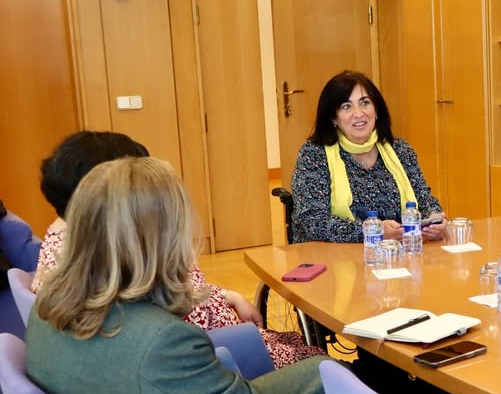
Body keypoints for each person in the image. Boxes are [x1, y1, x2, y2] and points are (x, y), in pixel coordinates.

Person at [25, 157, 335, 394]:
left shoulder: (48, 308)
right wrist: (318, 375)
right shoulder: (161, 341)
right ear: (161, 238)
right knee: (323, 374)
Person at [32, 131, 321, 369]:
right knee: (325, 366)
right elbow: (177, 331)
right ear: (102, 194)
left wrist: (226, 295)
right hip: (229, 354)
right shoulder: (107, 261)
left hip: (231, 340)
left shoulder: (83, 242)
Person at [292, 71, 446, 243]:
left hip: (397, 254)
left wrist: (435, 219)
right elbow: (312, 221)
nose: (358, 114)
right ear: (333, 118)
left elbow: (424, 199)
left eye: (364, 103)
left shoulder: (400, 150)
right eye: (346, 106)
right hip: (336, 258)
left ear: (376, 110)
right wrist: (374, 231)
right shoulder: (314, 154)